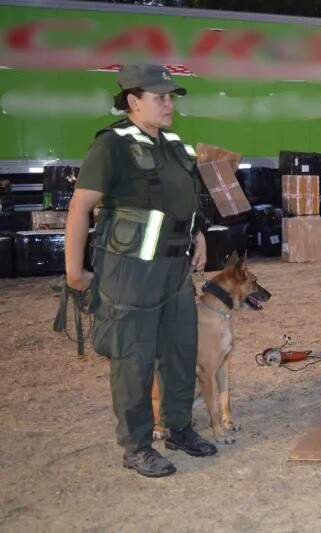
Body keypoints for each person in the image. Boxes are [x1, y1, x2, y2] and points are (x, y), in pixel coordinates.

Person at [65, 64, 217, 477]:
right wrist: (74, 272)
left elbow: (185, 198)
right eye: (160, 97)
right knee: (134, 359)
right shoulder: (112, 145)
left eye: (171, 97)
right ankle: (136, 445)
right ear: (133, 101)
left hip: (173, 269)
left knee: (180, 351)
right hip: (130, 272)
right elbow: (80, 208)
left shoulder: (174, 145)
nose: (169, 104)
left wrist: (199, 232)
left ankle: (179, 428)